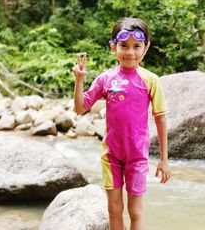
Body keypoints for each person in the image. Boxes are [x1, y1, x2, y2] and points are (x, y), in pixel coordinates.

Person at [72, 17, 171, 230]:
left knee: (135, 211)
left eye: (137, 46)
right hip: (111, 156)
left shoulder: (151, 80)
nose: (130, 52)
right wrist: (79, 81)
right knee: (114, 209)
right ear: (113, 46)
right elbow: (81, 108)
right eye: (124, 46)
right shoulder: (106, 79)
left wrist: (164, 160)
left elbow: (161, 119)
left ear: (146, 48)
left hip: (137, 157)